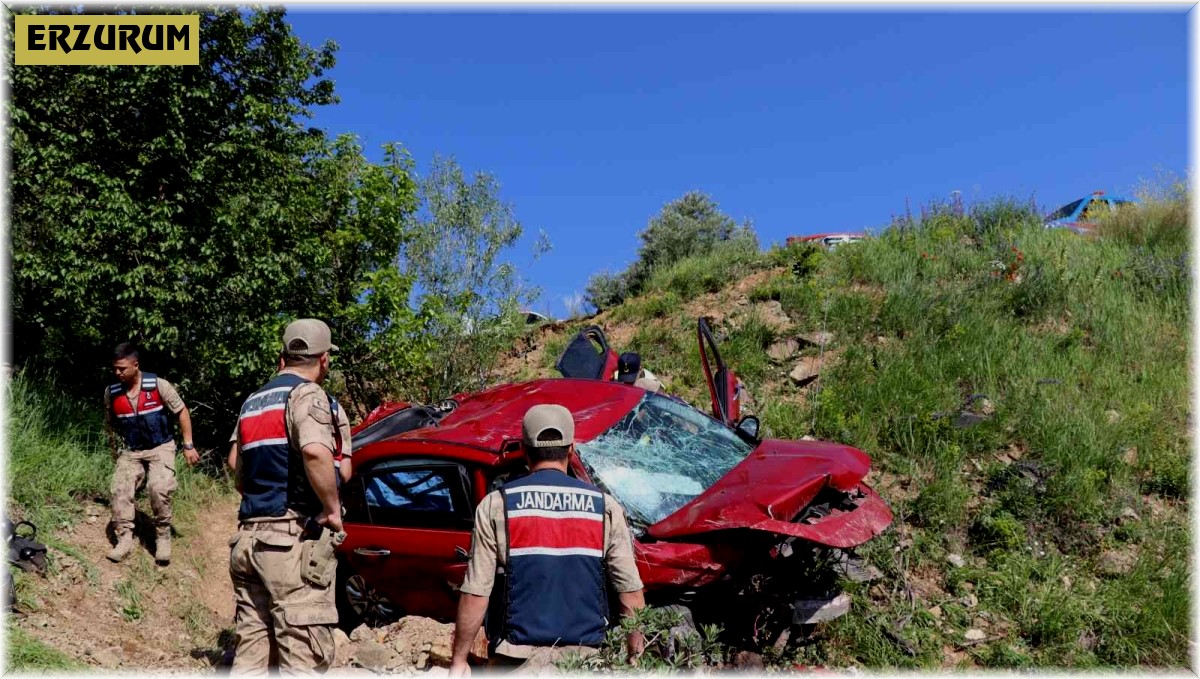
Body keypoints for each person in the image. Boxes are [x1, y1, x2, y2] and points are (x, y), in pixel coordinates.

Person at [448, 404, 646, 676]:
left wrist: (459, 660)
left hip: (516, 658)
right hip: (586, 659)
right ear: (572, 450)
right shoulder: (605, 507)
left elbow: (476, 592)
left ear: (525, 451)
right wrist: (636, 658)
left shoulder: (497, 505)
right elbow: (630, 593)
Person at [228, 319, 346, 673]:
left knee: (251, 650)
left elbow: (235, 462)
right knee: (302, 653)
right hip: (287, 542)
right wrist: (332, 508)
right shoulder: (308, 395)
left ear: (284, 356)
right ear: (323, 360)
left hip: (246, 540)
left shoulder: (253, 401)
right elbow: (314, 452)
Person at [104, 342, 198, 565]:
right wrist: (114, 451)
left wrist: (188, 445)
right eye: (115, 368)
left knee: (158, 487)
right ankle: (124, 539)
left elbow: (182, 411)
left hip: (160, 447)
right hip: (131, 449)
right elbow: (110, 425)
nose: (118, 373)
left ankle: (163, 535)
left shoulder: (157, 385)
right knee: (119, 488)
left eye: (122, 368)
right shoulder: (112, 392)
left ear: (136, 365)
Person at [226, 356, 353, 486]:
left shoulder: (250, 402)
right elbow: (344, 472)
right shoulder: (331, 406)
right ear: (323, 361)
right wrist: (331, 503)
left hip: (255, 503)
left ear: (281, 362)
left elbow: (233, 460)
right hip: (306, 503)